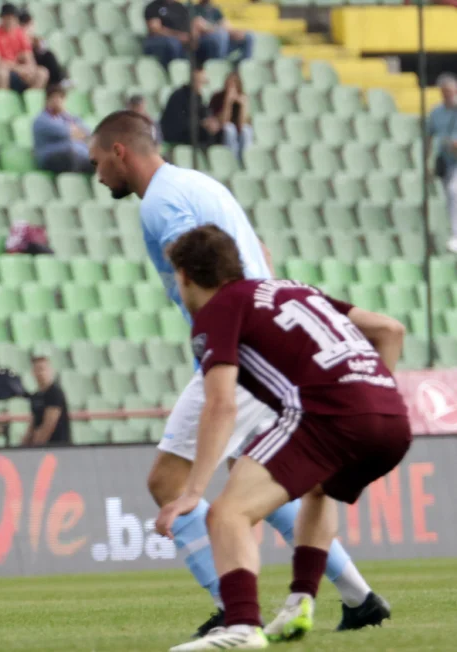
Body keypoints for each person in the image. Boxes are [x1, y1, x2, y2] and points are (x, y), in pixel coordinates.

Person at [88, 110, 390, 637]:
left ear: (120, 151)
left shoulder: (161, 202)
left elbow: (208, 270)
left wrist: (224, 342)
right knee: (253, 479)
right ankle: (358, 597)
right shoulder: (199, 184)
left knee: (167, 481)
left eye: (97, 163)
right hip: (263, 344)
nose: (97, 176)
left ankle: (232, 607)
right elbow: (257, 257)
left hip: (242, 349)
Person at [157, 226, 410, 651]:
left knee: (226, 514)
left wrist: (193, 491)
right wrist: (372, 397)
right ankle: (300, 601)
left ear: (184, 276)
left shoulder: (218, 310)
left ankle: (242, 626)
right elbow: (391, 329)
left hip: (333, 415)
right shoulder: (295, 290)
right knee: (319, 490)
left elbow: (221, 405)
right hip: (393, 417)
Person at [0, 3, 48, 91]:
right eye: (8, 17)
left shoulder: (20, 33)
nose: (10, 21)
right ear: (2, 18)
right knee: (2, 73)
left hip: (16, 70)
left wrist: (29, 69)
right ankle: (2, 98)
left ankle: (30, 98)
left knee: (42, 73)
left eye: (13, 18)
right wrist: (18, 69)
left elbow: (28, 56)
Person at [33, 84, 94, 174]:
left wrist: (66, 115)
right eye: (54, 98)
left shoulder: (67, 117)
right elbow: (68, 133)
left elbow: (87, 133)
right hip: (50, 157)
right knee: (71, 150)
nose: (58, 102)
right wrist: (76, 133)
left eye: (61, 98)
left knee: (97, 157)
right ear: (47, 100)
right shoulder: (41, 120)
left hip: (71, 155)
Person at [428, 73, 457, 254]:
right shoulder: (436, 113)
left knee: (454, 190)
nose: (448, 94)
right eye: (445, 91)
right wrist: (427, 160)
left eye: (451, 91)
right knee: (450, 195)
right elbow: (429, 135)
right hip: (446, 161)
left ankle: (456, 235)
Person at [160, 68, 224, 148]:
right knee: (205, 133)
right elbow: (178, 122)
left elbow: (204, 114)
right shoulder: (179, 96)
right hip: (177, 133)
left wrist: (210, 122)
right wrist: (202, 123)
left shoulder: (198, 97)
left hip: (192, 129)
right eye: (199, 82)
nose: (201, 86)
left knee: (219, 132)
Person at [24, 354, 70, 446]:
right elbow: (34, 422)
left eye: (43, 369)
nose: (40, 373)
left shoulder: (55, 393)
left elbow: (49, 424)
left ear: (50, 370)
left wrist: (36, 446)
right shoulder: (36, 395)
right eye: (37, 369)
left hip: (56, 446)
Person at [209, 71, 253, 163]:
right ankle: (232, 160)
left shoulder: (242, 98)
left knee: (246, 130)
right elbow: (223, 122)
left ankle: (245, 160)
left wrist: (243, 107)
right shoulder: (217, 97)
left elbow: (242, 124)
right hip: (221, 134)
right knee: (230, 128)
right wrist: (228, 102)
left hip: (238, 134)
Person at [20, 10, 69, 90]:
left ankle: (58, 81)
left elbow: (42, 48)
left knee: (49, 55)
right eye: (26, 25)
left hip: (35, 60)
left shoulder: (36, 40)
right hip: (27, 63)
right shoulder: (19, 37)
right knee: (47, 58)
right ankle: (57, 82)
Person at [142, 0, 193, 68]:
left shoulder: (181, 7)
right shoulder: (153, 7)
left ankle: (194, 70)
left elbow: (187, 31)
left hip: (180, 40)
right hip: (157, 40)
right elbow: (155, 30)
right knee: (173, 43)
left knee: (200, 43)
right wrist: (178, 36)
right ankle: (174, 70)